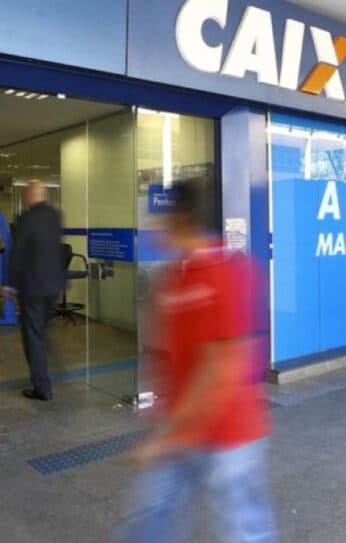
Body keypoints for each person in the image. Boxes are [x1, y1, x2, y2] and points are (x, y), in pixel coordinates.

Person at [118, 179, 276, 543]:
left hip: (228, 433)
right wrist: (164, 415)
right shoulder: (172, 278)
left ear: (181, 219)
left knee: (245, 530)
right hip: (181, 430)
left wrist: (168, 435)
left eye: (161, 218)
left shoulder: (228, 271)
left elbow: (224, 367)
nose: (156, 227)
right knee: (150, 519)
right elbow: (164, 353)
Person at [6, 180, 64, 401]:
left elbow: (18, 252)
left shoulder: (27, 217)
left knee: (34, 338)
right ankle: (45, 372)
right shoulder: (55, 216)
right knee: (40, 333)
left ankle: (42, 387)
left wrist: (10, 283)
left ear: (29, 195)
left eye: (24, 195)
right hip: (53, 286)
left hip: (33, 287)